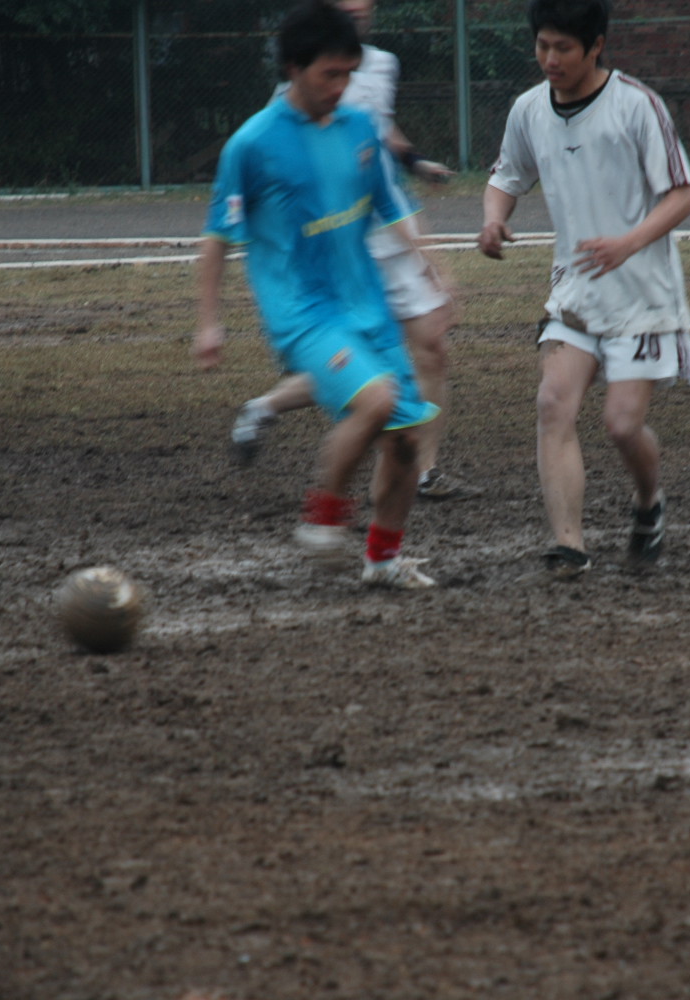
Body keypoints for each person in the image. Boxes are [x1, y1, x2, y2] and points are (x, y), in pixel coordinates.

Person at [194, 0, 440, 590]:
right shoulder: (252, 144)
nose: (341, 87)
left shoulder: (359, 128)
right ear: (293, 68)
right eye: (330, 74)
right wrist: (208, 321)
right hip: (303, 314)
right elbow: (217, 238)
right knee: (377, 401)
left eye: (348, 74)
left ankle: (382, 561)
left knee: (408, 441)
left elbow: (390, 204)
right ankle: (322, 519)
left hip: (368, 306)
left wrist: (433, 265)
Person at [479, 0, 690, 579]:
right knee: (553, 402)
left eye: (564, 48)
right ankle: (569, 546)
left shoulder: (636, 105)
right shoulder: (529, 109)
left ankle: (649, 503)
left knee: (622, 425)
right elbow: (505, 177)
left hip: (643, 300)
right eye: (542, 46)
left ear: (596, 46)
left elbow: (682, 194)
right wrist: (493, 219)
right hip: (574, 295)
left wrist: (628, 243)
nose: (550, 59)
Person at [229, 0, 478, 502]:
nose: (357, 8)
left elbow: (382, 129)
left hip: (388, 231)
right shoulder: (292, 95)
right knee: (361, 367)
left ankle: (422, 470)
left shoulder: (383, 64)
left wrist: (414, 162)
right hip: (342, 247)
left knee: (432, 347)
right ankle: (268, 410)